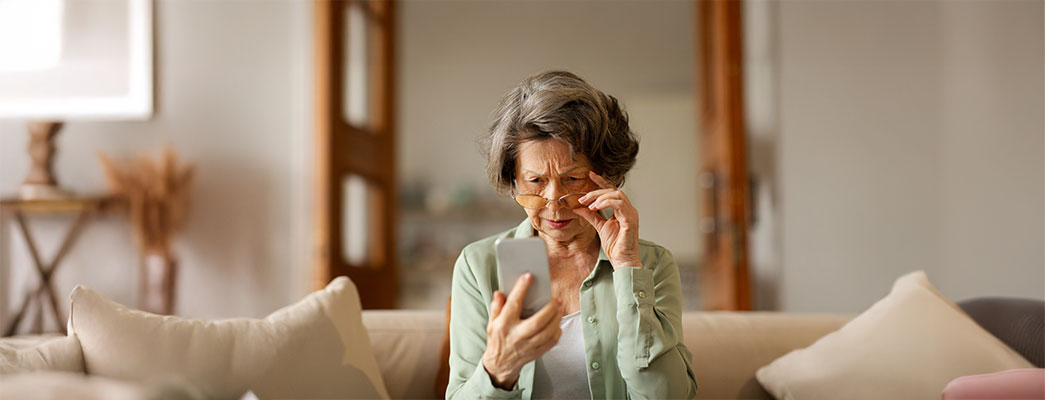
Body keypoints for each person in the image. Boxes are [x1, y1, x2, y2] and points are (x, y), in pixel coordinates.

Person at [445, 70, 697, 400]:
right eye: (535, 182)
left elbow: (670, 397)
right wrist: (498, 368)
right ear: (514, 182)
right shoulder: (479, 265)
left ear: (606, 177)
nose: (553, 204)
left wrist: (627, 269)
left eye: (573, 179)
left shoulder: (651, 263)